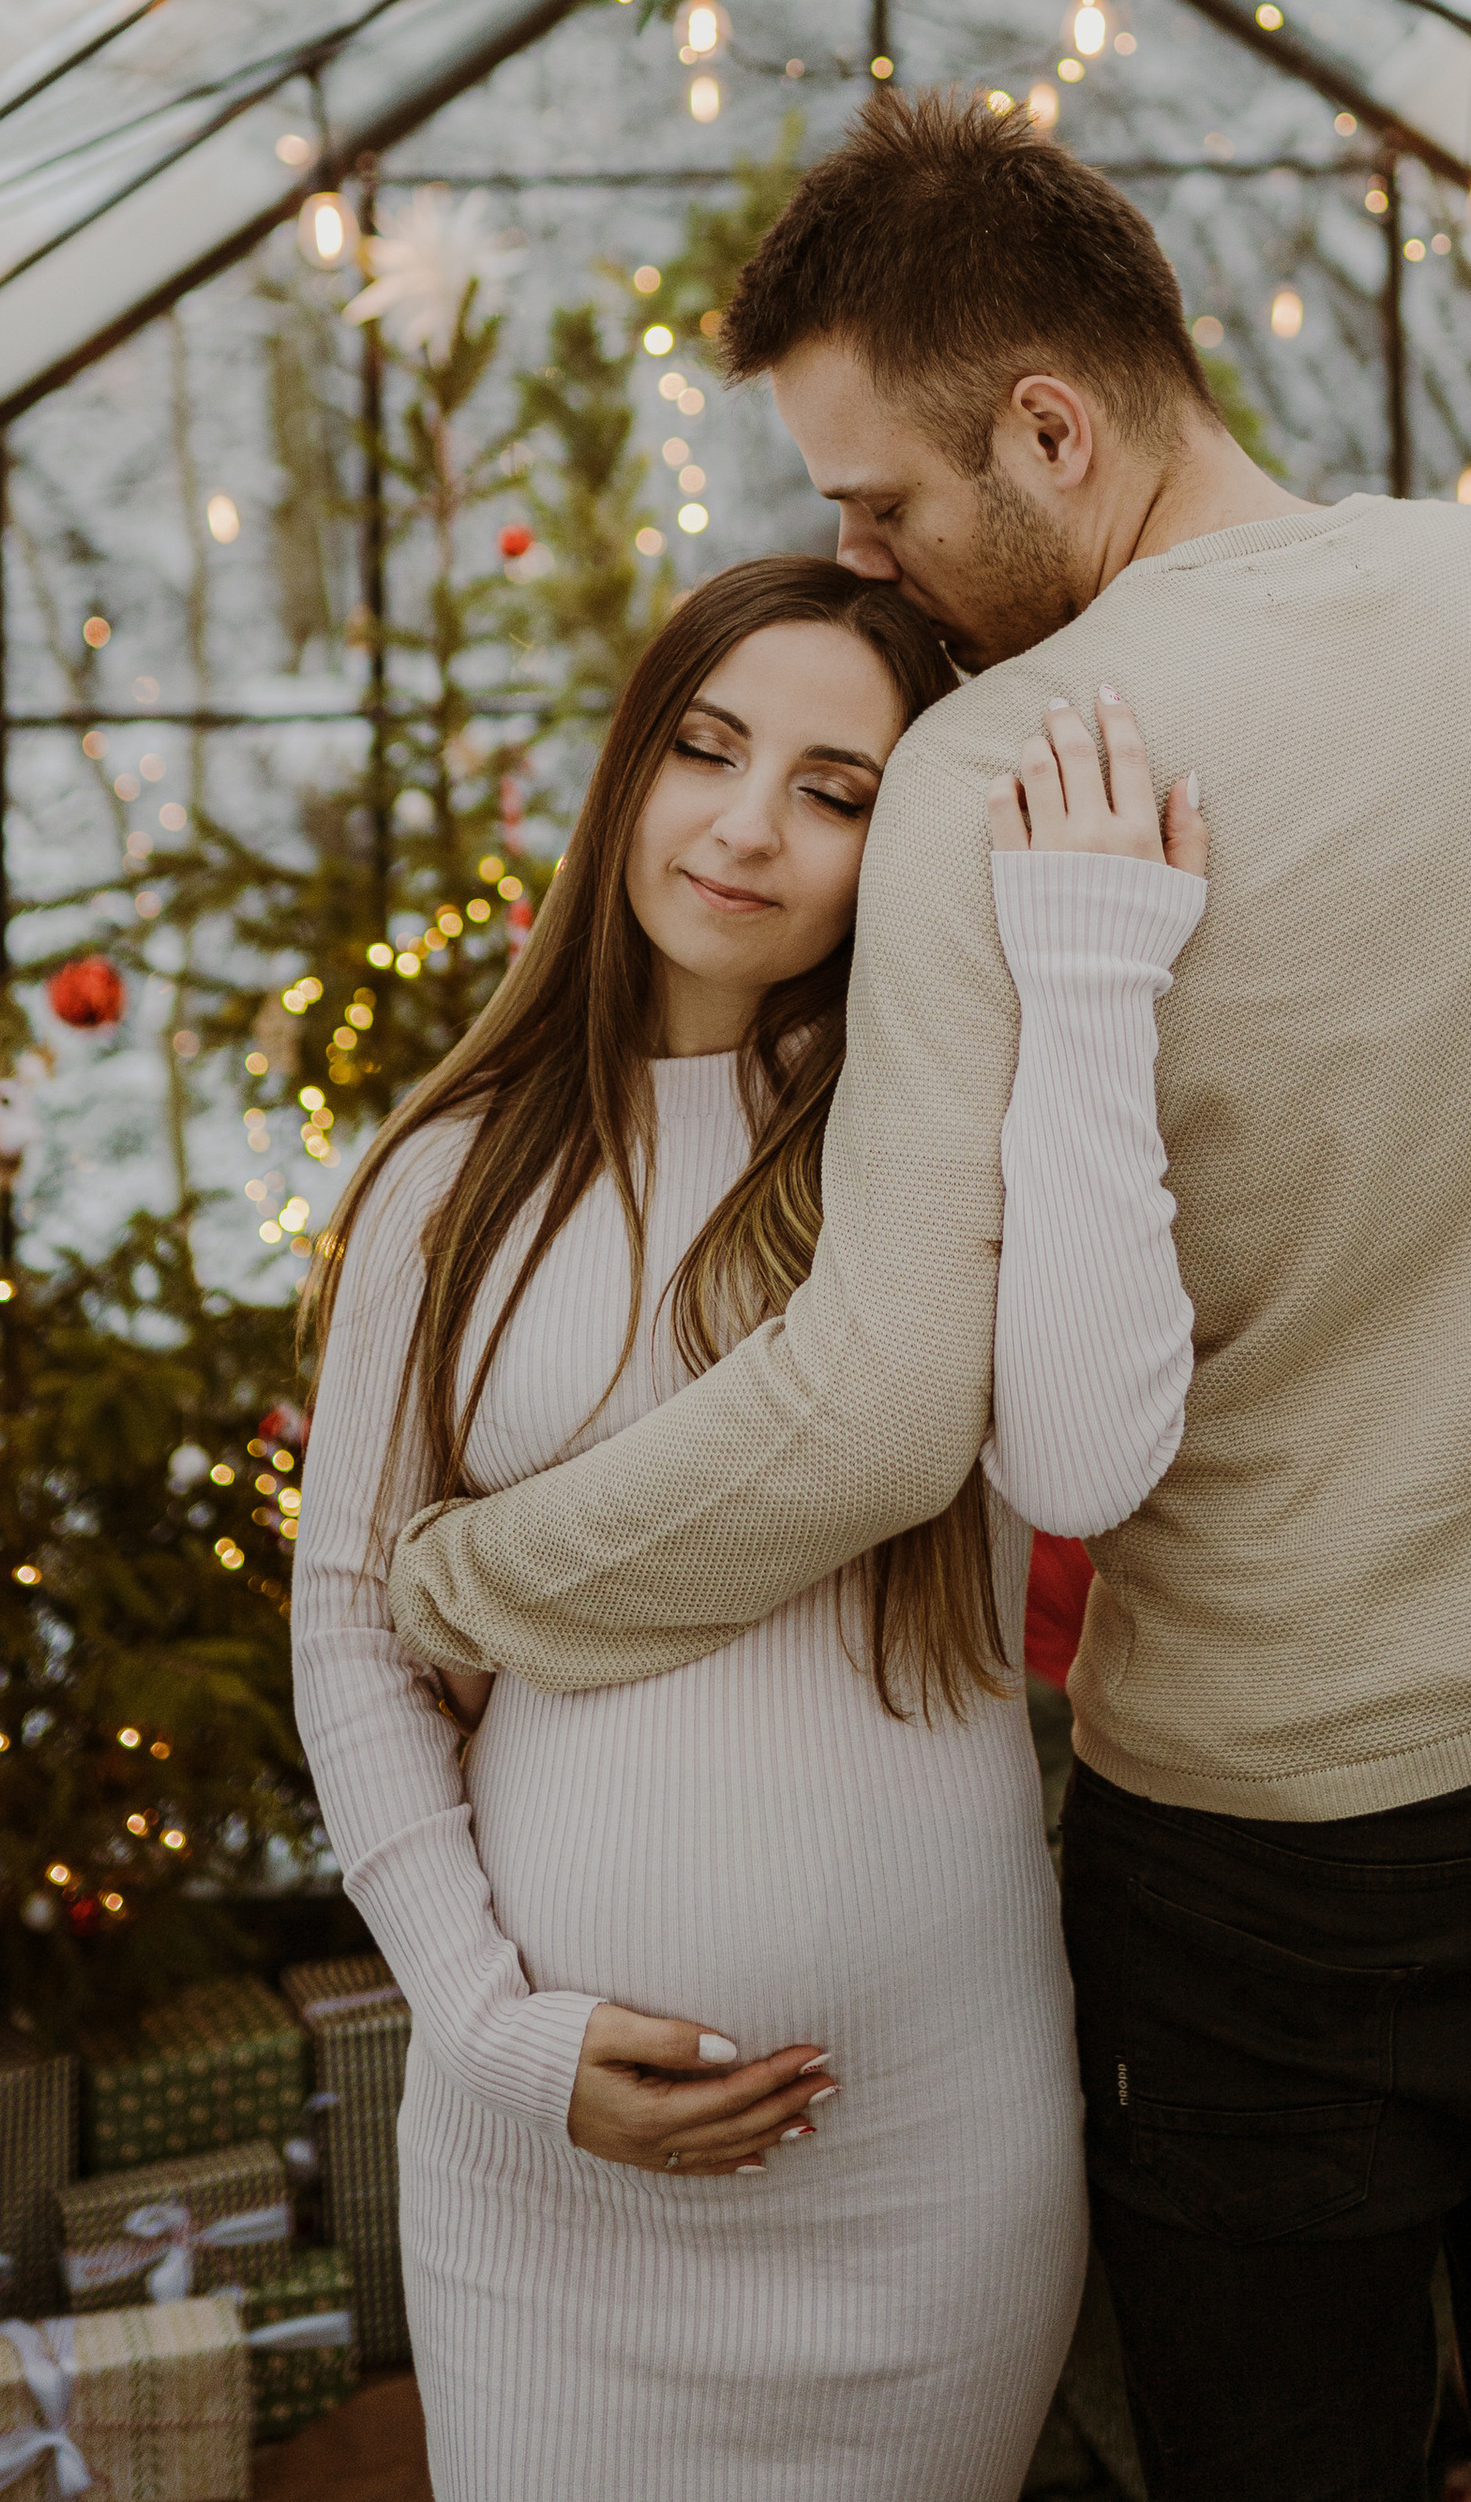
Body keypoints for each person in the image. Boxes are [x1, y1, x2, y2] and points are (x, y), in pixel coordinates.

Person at [390, 89, 1471, 2501]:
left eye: (885, 506)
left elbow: (873, 1411)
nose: (863, 558)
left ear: (1048, 426)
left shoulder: (1012, 766)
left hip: (1281, 1847)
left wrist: (469, 1575)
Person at [292, 549, 1209, 2501]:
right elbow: (355, 1636)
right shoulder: (448, 1182)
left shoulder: (922, 1144)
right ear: (629, 766)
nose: (743, 825)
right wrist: (488, 2036)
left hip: (921, 2171)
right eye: (705, 748)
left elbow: (1077, 1465)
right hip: (544, 2203)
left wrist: (1088, 973)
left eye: (835, 788)